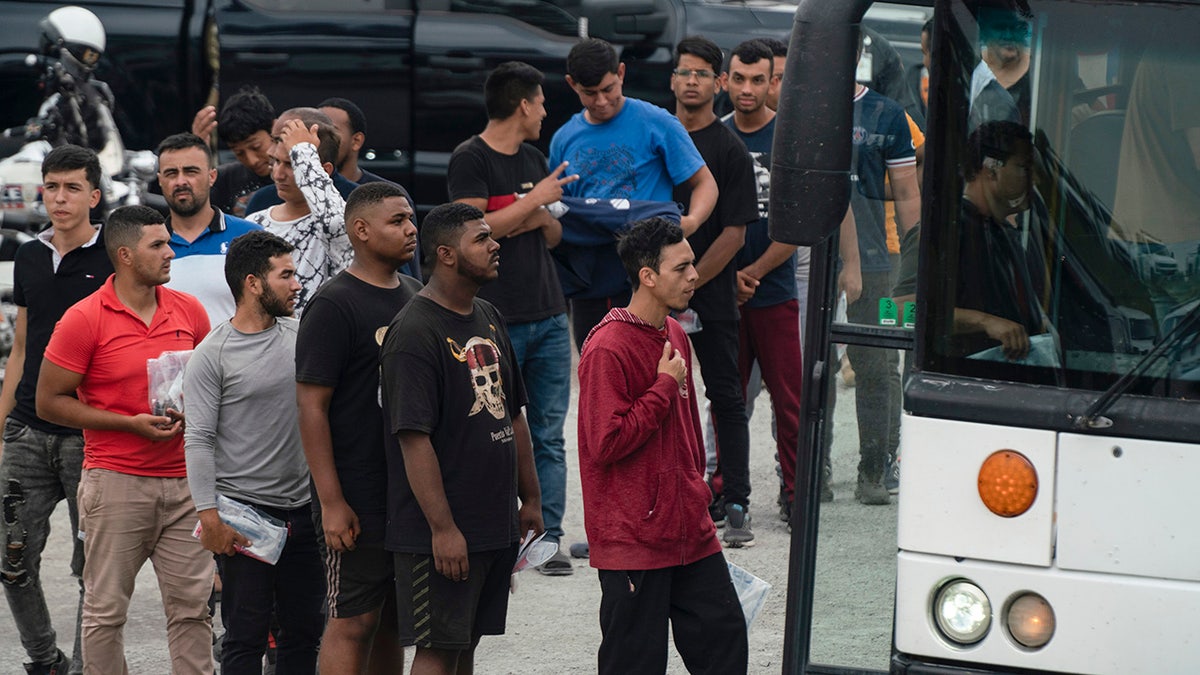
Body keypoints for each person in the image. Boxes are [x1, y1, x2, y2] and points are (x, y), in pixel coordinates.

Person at [36, 205, 213, 674]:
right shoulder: (84, 318)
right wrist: (127, 423)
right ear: (125, 255)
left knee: (193, 612)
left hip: (185, 485)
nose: (170, 251)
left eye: (167, 241)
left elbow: (209, 385)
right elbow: (49, 402)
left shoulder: (189, 310)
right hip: (116, 482)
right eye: (157, 244)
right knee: (105, 612)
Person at [577, 216, 747, 675]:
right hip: (633, 540)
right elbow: (605, 443)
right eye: (682, 268)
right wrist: (662, 388)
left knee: (726, 641)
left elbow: (688, 429)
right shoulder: (607, 348)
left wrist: (696, 489)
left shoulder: (673, 332)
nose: (695, 275)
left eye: (693, 264)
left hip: (690, 527)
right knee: (635, 663)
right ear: (648, 277)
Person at [379, 202, 542, 675]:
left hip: (493, 523)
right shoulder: (414, 331)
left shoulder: (488, 314)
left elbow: (512, 415)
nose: (495, 246)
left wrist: (530, 498)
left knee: (464, 643)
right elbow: (414, 440)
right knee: (437, 648)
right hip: (440, 531)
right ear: (446, 254)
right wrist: (443, 530)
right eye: (482, 238)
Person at [447, 61, 577, 575]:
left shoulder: (533, 157)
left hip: (549, 314)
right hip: (498, 320)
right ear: (523, 104)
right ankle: (496, 533)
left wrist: (527, 214)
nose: (545, 112)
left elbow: (553, 234)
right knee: (492, 428)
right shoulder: (470, 159)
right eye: (542, 102)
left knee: (548, 431)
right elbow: (469, 235)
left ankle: (550, 538)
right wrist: (534, 203)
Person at [182, 230, 323, 673]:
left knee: (303, 636)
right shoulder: (212, 355)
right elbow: (198, 439)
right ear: (253, 283)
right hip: (244, 519)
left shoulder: (302, 336)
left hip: (305, 513)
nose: (297, 284)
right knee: (244, 638)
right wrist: (210, 518)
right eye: (286, 275)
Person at [296, 181, 421, 675]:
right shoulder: (334, 303)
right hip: (355, 491)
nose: (411, 229)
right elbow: (311, 406)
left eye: (411, 219)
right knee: (353, 620)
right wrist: (330, 501)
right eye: (397, 221)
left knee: (393, 619)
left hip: (408, 491)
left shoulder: (417, 294)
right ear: (361, 231)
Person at [0, 145, 112, 675]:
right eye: (51, 186)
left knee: (93, 568)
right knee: (11, 557)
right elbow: (22, 346)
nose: (60, 197)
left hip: (89, 434)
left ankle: (90, 667)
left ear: (94, 195)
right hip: (27, 432)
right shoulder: (27, 254)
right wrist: (3, 425)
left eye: (71, 187)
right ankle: (45, 661)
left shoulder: (117, 253)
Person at [549, 37, 717, 351]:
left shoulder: (657, 122)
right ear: (572, 84)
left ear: (622, 73)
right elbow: (561, 210)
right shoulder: (564, 138)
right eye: (589, 93)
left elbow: (705, 182)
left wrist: (690, 222)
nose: (601, 101)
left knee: (652, 371)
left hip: (645, 278)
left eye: (608, 89)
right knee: (596, 364)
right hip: (591, 280)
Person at [670, 36, 759, 547]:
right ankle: (672, 493)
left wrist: (691, 282)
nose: (692, 81)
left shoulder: (729, 150)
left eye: (702, 73)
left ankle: (737, 498)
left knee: (726, 394)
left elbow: (734, 233)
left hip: (711, 294)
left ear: (718, 82)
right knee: (657, 394)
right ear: (673, 79)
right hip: (656, 295)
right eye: (684, 72)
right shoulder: (659, 135)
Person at [833, 32, 920, 505]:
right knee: (817, 367)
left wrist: (916, 257)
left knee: (877, 362)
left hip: (879, 258)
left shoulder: (887, 114)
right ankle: (814, 473)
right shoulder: (807, 107)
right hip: (811, 257)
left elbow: (909, 190)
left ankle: (875, 467)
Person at [722, 40, 804, 527]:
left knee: (788, 402)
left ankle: (795, 493)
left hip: (774, 293)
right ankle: (729, 495)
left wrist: (751, 274)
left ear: (773, 80)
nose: (748, 88)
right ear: (725, 80)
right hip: (721, 294)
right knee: (727, 401)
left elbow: (798, 227)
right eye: (739, 78)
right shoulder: (713, 136)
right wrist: (723, 279)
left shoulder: (788, 138)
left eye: (759, 79)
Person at [952, 121, 1044, 359]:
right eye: (1024, 168)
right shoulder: (946, 232)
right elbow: (897, 311)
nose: (1034, 181)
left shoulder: (1002, 232)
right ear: (991, 170)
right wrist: (984, 322)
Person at [245, 110, 351, 312]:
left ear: (323, 170)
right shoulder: (254, 220)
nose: (278, 174)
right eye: (275, 162)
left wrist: (302, 151)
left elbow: (336, 223)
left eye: (291, 164)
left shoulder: (336, 217)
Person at [156, 132, 262, 325]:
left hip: (236, 354)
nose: (180, 181)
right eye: (171, 173)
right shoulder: (149, 246)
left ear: (212, 176)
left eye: (191, 171)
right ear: (160, 180)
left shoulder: (250, 237)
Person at [192, 86, 277, 217]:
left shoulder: (293, 176)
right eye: (239, 153)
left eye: (256, 147)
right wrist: (198, 156)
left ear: (274, 129)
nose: (252, 160)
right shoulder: (225, 179)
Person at [968, 8, 1032, 132]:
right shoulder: (970, 68)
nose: (1008, 35)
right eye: (1000, 27)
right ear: (984, 33)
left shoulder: (1041, 74)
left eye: (1014, 28)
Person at [318, 97, 387, 185]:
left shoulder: (385, 195)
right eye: (315, 131)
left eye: (331, 132)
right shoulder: (298, 190)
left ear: (356, 141)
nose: (320, 139)